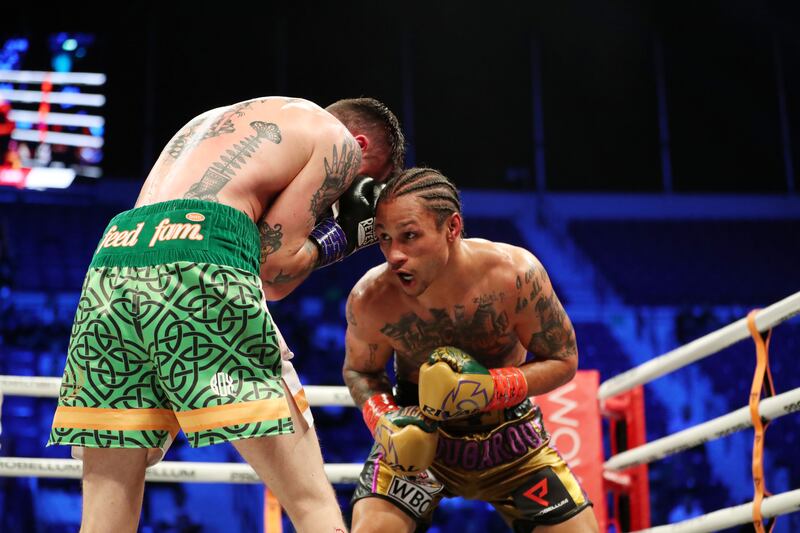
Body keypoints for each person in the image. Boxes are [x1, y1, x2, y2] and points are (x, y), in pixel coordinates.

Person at [48, 96, 405, 533]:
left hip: (112, 262)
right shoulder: (339, 142)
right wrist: (342, 237)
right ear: (362, 144)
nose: (350, 192)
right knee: (311, 501)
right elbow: (274, 272)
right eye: (367, 181)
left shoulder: (218, 119)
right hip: (202, 261)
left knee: (104, 519)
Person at [343, 167, 600, 532]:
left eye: (410, 235)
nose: (394, 254)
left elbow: (563, 359)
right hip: (421, 443)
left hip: (512, 442)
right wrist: (383, 419)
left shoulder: (514, 275)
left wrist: (491, 387)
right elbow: (360, 371)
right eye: (384, 238)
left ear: (452, 227)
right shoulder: (372, 298)